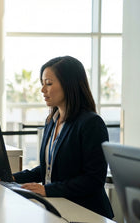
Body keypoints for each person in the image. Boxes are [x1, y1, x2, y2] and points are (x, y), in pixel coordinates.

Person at [12, 56, 114, 219]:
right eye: (42, 83)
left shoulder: (91, 123)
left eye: (49, 83)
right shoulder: (52, 121)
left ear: (69, 85)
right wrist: (12, 178)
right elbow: (47, 169)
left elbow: (93, 180)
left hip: (86, 213)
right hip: (58, 208)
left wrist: (47, 190)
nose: (43, 90)